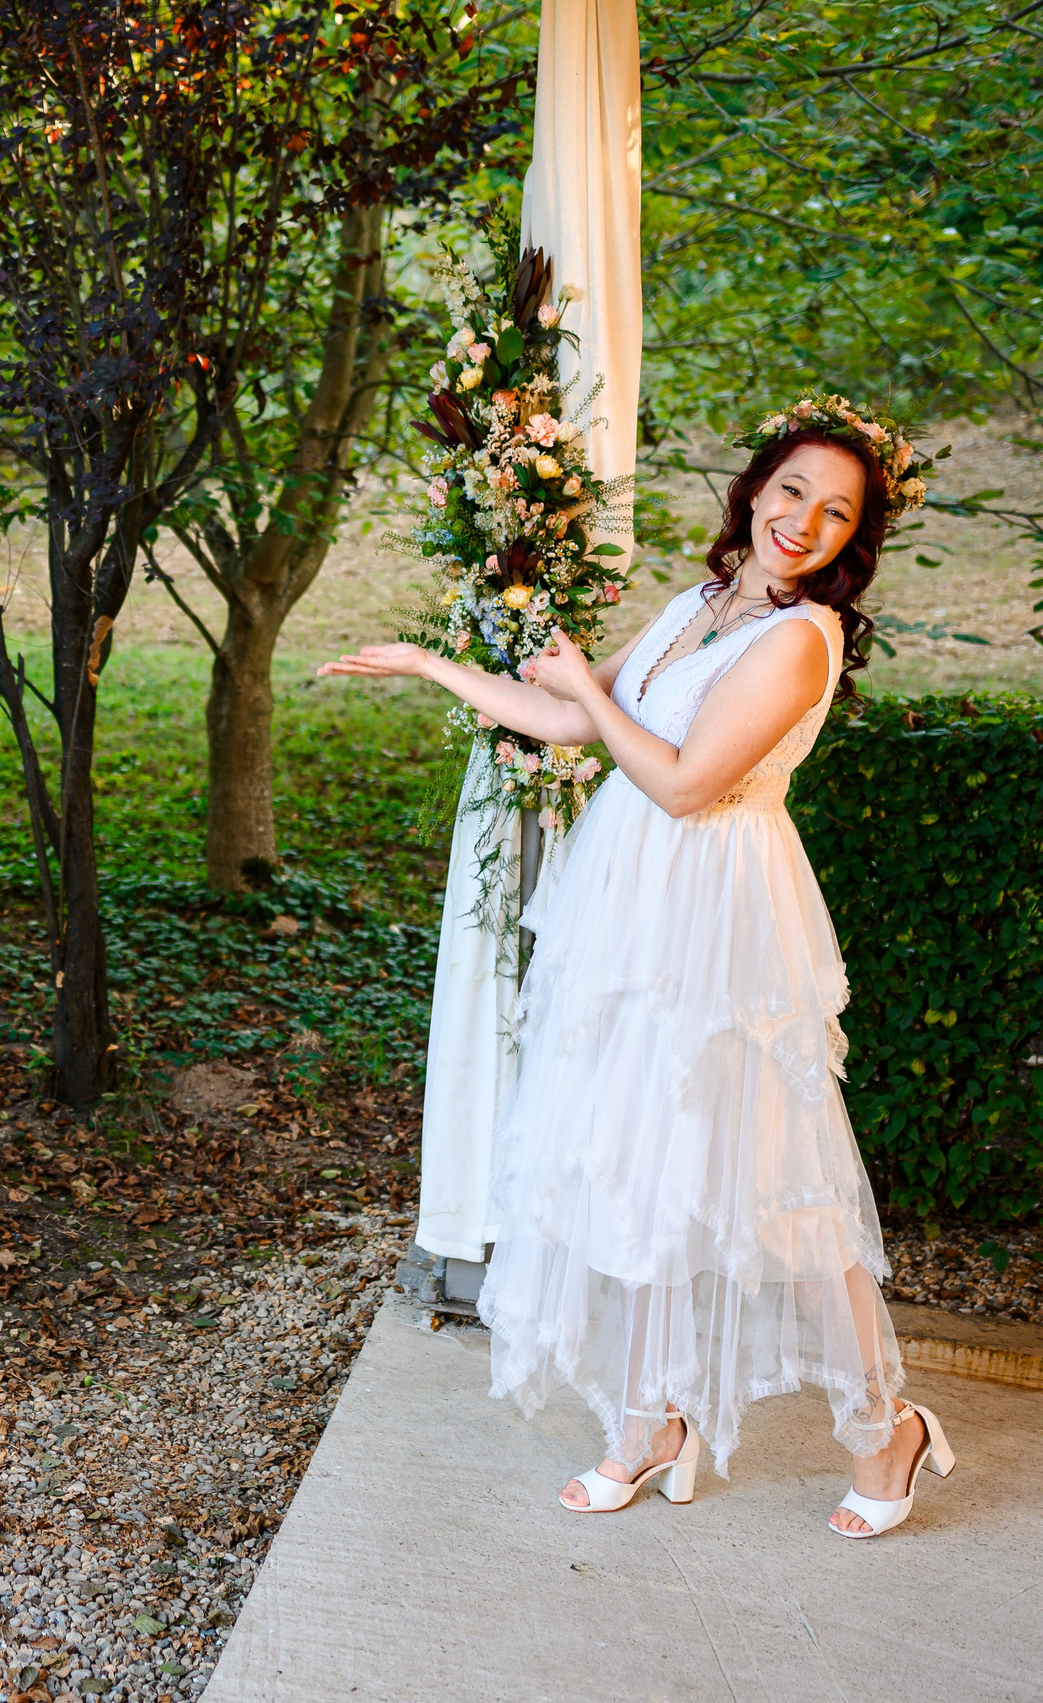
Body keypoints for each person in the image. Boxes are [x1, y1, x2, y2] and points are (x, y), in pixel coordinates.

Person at [321, 399, 957, 1539]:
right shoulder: (697, 604)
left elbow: (679, 781)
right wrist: (433, 667)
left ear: (853, 539)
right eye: (791, 491)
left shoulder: (801, 638)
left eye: (835, 511)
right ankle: (650, 1418)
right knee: (637, 1163)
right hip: (629, 910)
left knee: (782, 1184)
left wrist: (582, 677)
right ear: (755, 490)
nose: (803, 520)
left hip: (720, 918)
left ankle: (883, 1425)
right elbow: (568, 722)